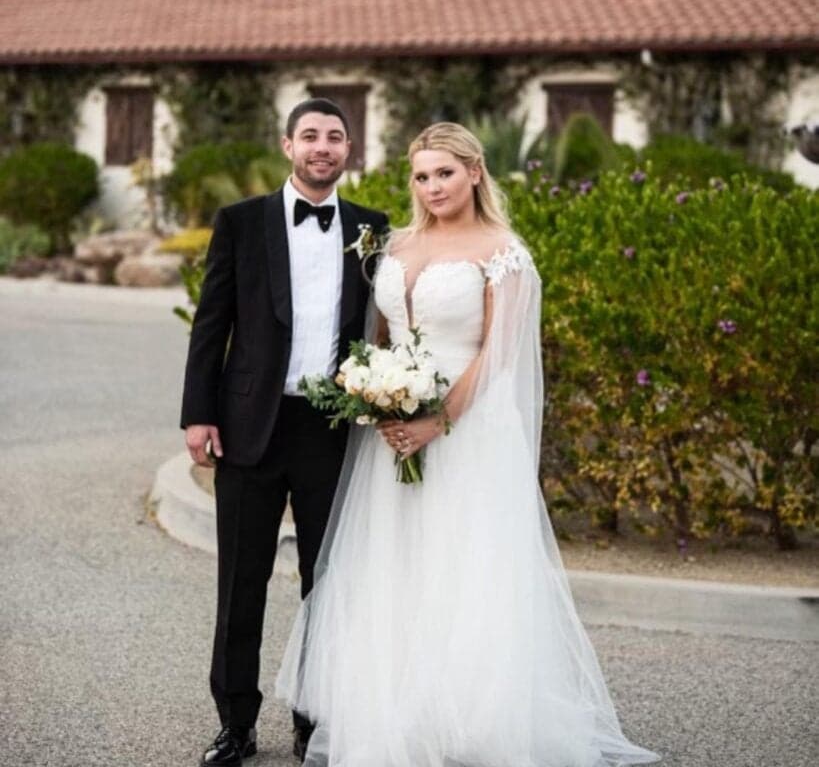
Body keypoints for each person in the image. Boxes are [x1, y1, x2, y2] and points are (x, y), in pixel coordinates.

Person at [276, 122, 659, 767]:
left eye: (445, 173)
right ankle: (397, 713)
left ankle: (472, 721)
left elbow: (497, 352)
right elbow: (376, 338)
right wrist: (376, 401)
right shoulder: (395, 244)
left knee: (462, 570)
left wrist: (437, 421)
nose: (432, 187)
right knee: (394, 571)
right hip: (391, 436)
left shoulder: (504, 251)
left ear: (475, 172)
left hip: (468, 433)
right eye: (422, 176)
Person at [180, 97, 388, 767]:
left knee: (324, 584)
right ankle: (235, 723)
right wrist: (197, 413)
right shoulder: (241, 222)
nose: (322, 146)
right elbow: (211, 322)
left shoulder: (371, 228)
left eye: (335, 137)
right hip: (247, 426)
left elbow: (385, 326)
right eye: (310, 136)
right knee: (240, 583)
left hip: (331, 430)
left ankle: (312, 717)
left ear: (348, 150)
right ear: (287, 145)